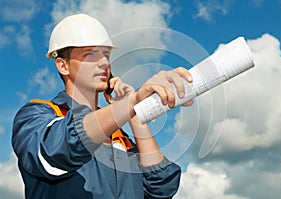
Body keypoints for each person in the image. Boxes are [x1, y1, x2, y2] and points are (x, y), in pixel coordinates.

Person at [12, 13, 193, 199]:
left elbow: (162, 187)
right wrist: (131, 103)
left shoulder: (121, 138)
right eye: (90, 54)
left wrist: (134, 115)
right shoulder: (38, 115)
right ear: (63, 66)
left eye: (106, 54)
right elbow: (57, 150)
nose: (105, 63)